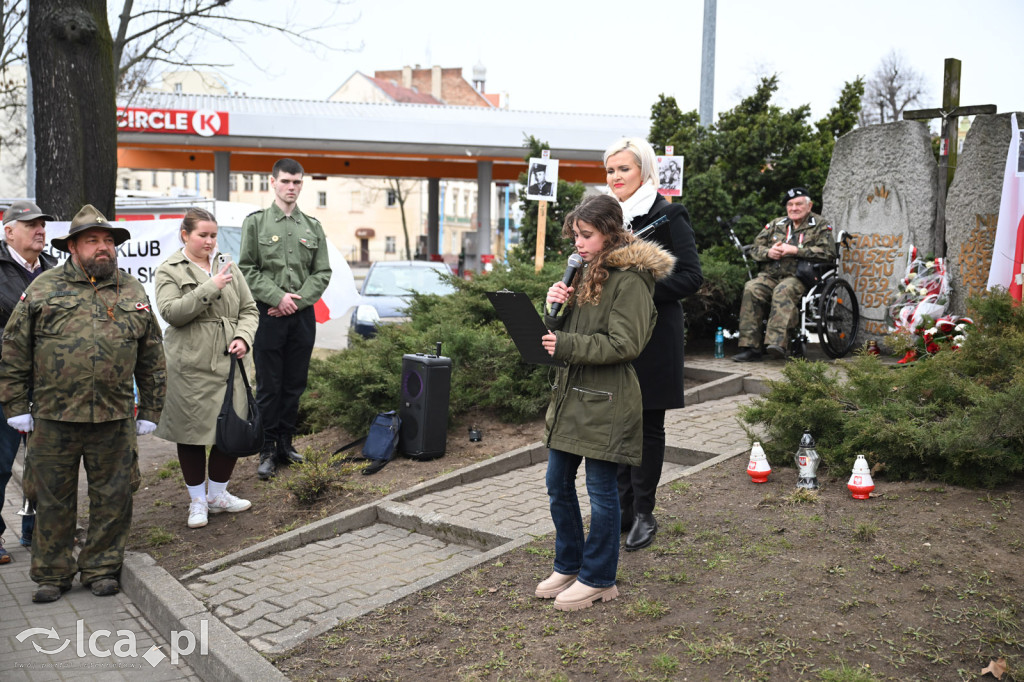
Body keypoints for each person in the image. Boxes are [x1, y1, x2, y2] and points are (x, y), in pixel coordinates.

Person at [0, 204, 166, 603]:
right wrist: (15, 406)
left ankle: (101, 567)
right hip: (54, 417)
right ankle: (52, 573)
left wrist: (152, 411)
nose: (103, 248)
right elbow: (14, 349)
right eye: (93, 241)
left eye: (108, 241)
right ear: (73, 246)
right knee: (52, 496)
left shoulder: (132, 289)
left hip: (114, 416)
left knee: (114, 495)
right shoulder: (43, 288)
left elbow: (152, 355)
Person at [536, 194, 675, 611]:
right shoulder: (583, 270)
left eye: (587, 235)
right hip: (571, 396)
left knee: (601, 490)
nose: (578, 243)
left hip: (606, 398)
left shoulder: (630, 279)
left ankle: (599, 577)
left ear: (610, 233)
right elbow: (557, 334)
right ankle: (569, 563)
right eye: (576, 235)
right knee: (557, 482)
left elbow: (625, 343)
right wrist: (553, 307)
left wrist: (565, 342)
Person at [603, 137, 703, 552]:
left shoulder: (667, 215)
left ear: (644, 170)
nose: (615, 178)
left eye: (623, 169)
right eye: (610, 171)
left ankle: (644, 513)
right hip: (613, 338)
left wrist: (638, 286)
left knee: (646, 427)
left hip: (655, 336)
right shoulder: (605, 219)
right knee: (617, 426)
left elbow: (690, 277)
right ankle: (622, 510)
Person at [154, 208, 259, 529]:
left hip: (232, 364)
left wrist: (243, 336)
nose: (210, 242)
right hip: (191, 365)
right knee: (192, 433)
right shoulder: (169, 269)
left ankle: (218, 495)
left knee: (233, 430)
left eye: (213, 235)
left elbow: (249, 309)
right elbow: (172, 312)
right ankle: (197, 501)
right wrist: (210, 286)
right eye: (203, 235)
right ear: (185, 235)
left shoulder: (228, 263)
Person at [239, 158, 332, 480]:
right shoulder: (256, 224)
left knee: (294, 385)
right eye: (286, 181)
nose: (291, 187)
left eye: (297, 182)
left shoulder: (313, 227)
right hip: (269, 315)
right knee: (268, 386)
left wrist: (297, 301)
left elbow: (322, 272)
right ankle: (266, 450)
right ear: (273, 182)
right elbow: (248, 268)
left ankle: (286, 445)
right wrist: (277, 297)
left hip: (301, 317)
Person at [0, 201, 58, 563]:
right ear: (9, 232)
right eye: (31, 224)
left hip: (48, 384)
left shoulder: (53, 269)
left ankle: (36, 531)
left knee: (45, 462)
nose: (40, 230)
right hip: (5, 382)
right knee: (1, 462)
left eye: (42, 224)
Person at [732, 187, 836, 362]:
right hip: (771, 275)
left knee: (783, 290)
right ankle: (751, 347)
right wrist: (768, 253)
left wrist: (796, 250)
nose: (794, 208)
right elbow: (755, 248)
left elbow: (828, 252)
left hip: (799, 277)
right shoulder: (776, 224)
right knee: (752, 288)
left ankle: (777, 343)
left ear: (809, 206)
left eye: (798, 204)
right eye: (790, 204)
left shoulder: (819, 225)